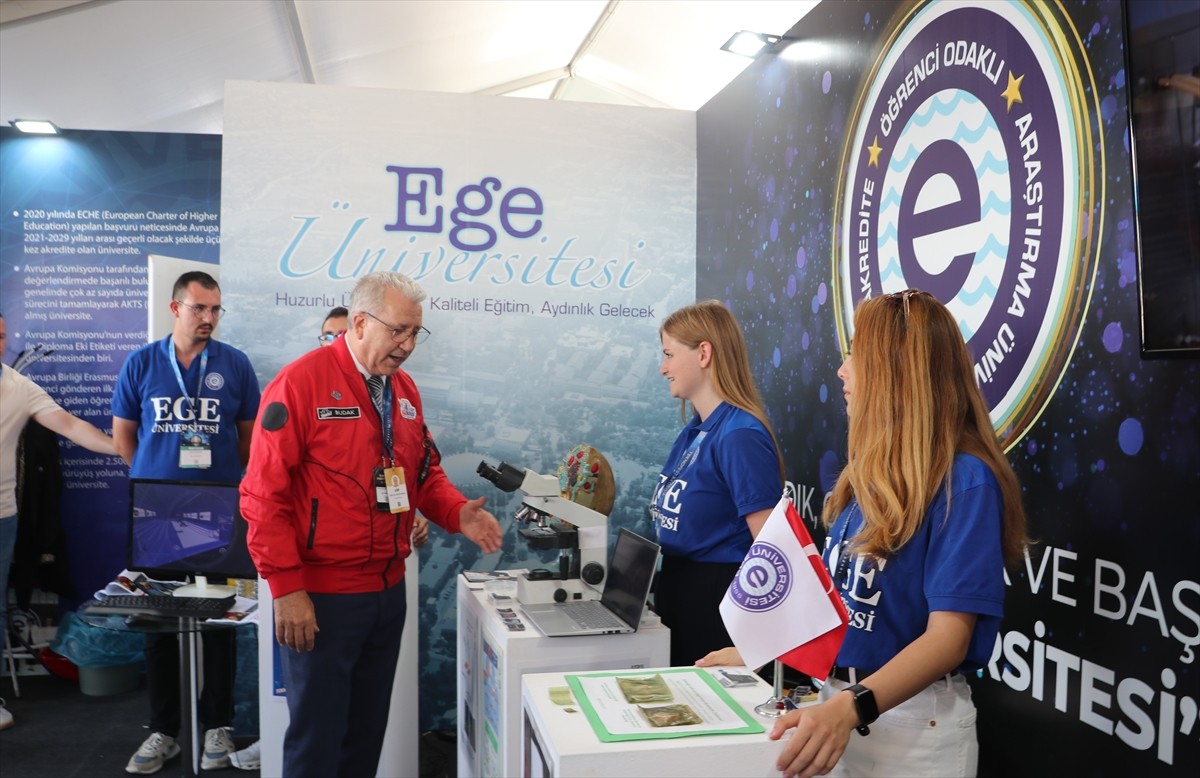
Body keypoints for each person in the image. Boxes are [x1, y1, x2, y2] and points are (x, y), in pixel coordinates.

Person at [239, 270, 502, 778]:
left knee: (364, 740)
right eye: (398, 330)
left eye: (414, 334)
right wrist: (287, 589)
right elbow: (261, 495)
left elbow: (423, 471)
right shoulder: (299, 384)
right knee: (316, 743)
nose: (407, 345)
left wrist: (454, 510)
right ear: (358, 322)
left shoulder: (402, 391)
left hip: (386, 593)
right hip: (322, 598)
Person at [755, 290, 1029, 778]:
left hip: (911, 732)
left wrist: (851, 707)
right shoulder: (873, 475)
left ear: (895, 371)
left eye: (856, 355)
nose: (842, 371)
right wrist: (759, 649)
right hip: (839, 712)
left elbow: (948, 639)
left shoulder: (965, 482)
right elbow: (843, 610)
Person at [111, 272, 261, 774]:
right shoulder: (141, 363)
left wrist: (214, 482)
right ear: (176, 309)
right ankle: (163, 730)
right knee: (160, 623)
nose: (209, 319)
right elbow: (124, 438)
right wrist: (156, 480)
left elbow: (246, 441)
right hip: (154, 512)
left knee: (219, 618)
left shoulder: (234, 365)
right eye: (199, 309)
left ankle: (216, 724)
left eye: (216, 309)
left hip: (218, 509)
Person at [0, 312, 118, 731]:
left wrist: (123, 450)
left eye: (0, 336)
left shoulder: (18, 387)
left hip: (2, 518)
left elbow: (68, 424)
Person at [650, 300, 785, 667]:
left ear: (704, 353)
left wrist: (760, 646)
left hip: (715, 608)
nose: (663, 368)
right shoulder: (695, 430)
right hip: (681, 594)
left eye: (669, 354)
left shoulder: (740, 435)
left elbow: (773, 551)